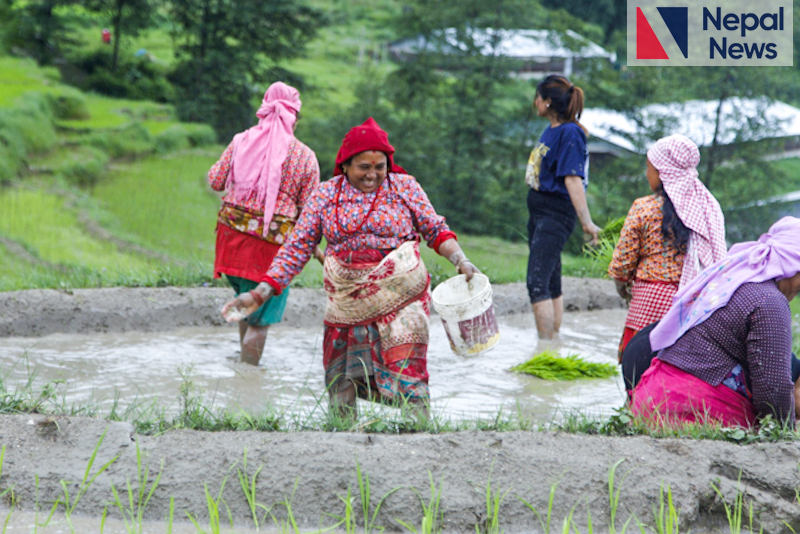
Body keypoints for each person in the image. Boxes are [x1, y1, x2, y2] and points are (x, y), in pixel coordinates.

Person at [220, 117, 481, 419]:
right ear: (345, 165)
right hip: (347, 301)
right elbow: (298, 246)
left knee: (408, 368)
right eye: (364, 167)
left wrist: (461, 259)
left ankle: (417, 440)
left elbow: (435, 229)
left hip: (401, 297)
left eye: (379, 167)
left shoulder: (405, 187)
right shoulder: (325, 195)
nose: (372, 175)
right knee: (341, 378)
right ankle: (343, 440)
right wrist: (263, 291)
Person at [631, 217, 800, 428]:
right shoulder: (769, 301)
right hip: (693, 412)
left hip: (652, 399)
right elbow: (773, 388)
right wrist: (785, 435)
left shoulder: (731, 281)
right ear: (793, 264)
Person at [208, 82, 321, 366]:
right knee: (260, 319)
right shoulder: (305, 157)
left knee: (246, 302)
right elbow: (310, 213)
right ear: (295, 115)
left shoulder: (240, 141)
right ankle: (248, 378)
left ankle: (242, 361)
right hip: (273, 251)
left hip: (231, 239)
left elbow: (215, 180)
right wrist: (316, 249)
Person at [609, 134, 726, 358]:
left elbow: (623, 262)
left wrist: (621, 287)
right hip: (689, 303)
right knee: (673, 373)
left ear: (663, 173)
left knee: (638, 369)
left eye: (649, 168)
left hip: (648, 301)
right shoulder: (704, 209)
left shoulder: (644, 208)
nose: (646, 174)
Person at [525, 75, 601, 341]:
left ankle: (543, 350)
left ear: (547, 101)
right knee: (550, 279)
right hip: (541, 212)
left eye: (538, 96)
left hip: (555, 214)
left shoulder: (570, 133)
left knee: (536, 282)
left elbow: (573, 179)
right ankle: (553, 343)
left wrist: (587, 222)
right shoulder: (553, 129)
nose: (534, 101)